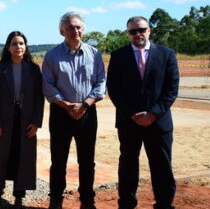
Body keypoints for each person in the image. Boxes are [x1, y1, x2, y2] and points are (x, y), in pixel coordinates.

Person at [107, 16, 179, 209]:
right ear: (128, 34)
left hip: (159, 122)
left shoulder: (167, 54)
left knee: (162, 166)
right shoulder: (118, 56)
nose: (138, 34)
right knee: (128, 166)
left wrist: (153, 114)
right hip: (129, 122)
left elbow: (171, 89)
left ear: (149, 30)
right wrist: (133, 114)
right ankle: (127, 204)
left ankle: (164, 204)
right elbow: (114, 89)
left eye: (141, 30)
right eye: (133, 31)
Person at [42, 12, 106, 209]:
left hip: (87, 113)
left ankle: (87, 201)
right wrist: (67, 105)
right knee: (58, 161)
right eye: (70, 27)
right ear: (62, 31)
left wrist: (85, 104)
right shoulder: (52, 55)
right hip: (61, 114)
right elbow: (47, 84)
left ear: (83, 29)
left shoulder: (94, 54)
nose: (75, 30)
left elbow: (101, 82)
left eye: (78, 27)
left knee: (87, 161)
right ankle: (56, 200)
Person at [0, 31, 44, 209]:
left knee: (23, 157)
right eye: (14, 44)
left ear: (26, 47)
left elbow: (39, 97)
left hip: (26, 121)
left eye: (21, 43)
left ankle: (19, 196)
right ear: (7, 47)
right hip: (3, 120)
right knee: (1, 155)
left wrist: (36, 122)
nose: (17, 47)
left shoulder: (33, 70)